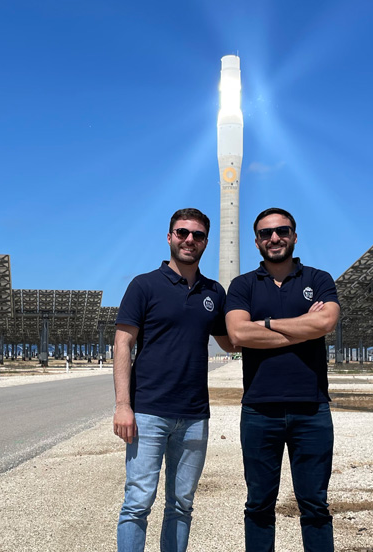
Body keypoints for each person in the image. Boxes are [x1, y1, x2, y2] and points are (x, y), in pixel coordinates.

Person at [113, 208, 237, 552]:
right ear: (169, 237)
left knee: (182, 505)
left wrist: (284, 322)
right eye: (182, 233)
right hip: (148, 412)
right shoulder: (144, 285)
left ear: (206, 243)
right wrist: (123, 405)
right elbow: (122, 343)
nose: (189, 240)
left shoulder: (214, 293)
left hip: (195, 416)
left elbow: (232, 341)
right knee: (137, 503)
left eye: (197, 235)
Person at [225, 207, 341, 552]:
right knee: (259, 504)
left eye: (281, 231)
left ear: (293, 234)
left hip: (312, 409)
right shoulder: (243, 284)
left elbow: (324, 324)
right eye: (266, 233)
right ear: (257, 241)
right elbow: (236, 333)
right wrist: (300, 326)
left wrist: (265, 324)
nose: (274, 238)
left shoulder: (318, 279)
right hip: (260, 410)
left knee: (315, 506)